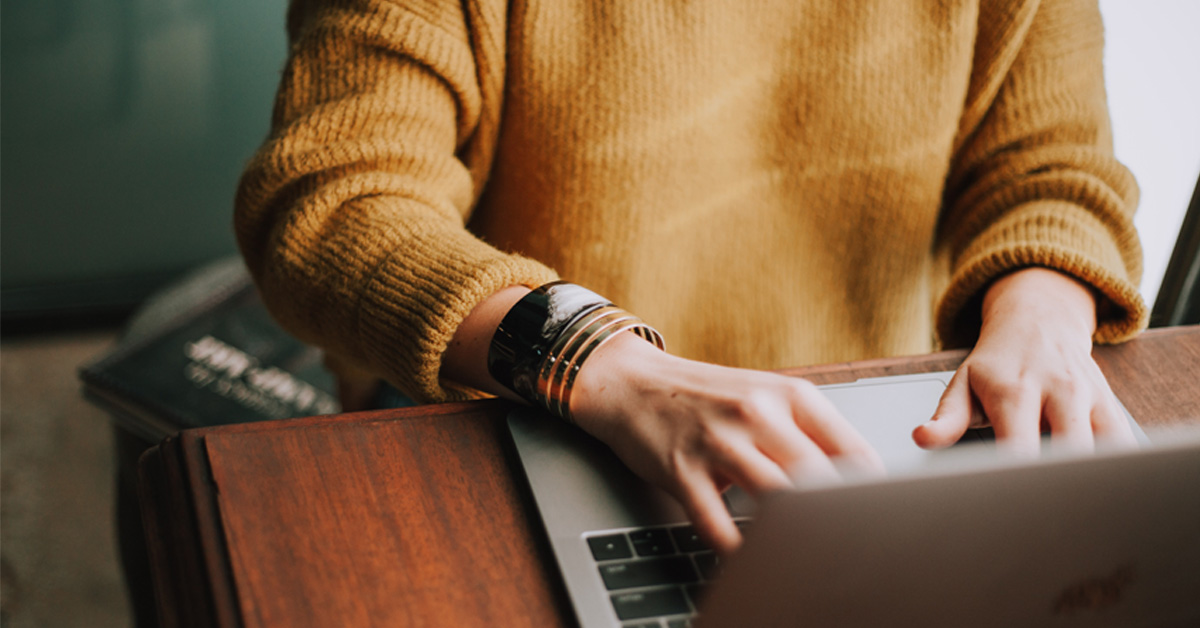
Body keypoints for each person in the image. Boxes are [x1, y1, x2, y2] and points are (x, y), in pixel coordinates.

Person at [235, 0, 1146, 554]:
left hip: (865, 438)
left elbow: (1052, 169)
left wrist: (1044, 312)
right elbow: (333, 202)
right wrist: (606, 365)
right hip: (520, 416)